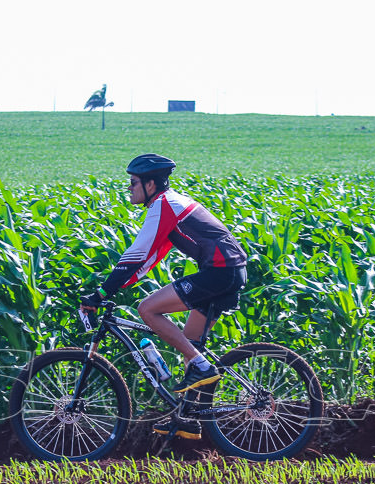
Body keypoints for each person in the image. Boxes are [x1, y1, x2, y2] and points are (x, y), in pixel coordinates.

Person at [79, 153, 248, 440]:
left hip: (221, 272)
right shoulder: (169, 204)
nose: (129, 188)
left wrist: (102, 292)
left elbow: (136, 254)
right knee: (190, 346)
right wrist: (118, 287)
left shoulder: (164, 205)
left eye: (133, 182)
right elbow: (151, 257)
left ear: (150, 183)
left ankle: (202, 366)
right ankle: (187, 419)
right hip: (226, 272)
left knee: (148, 309)